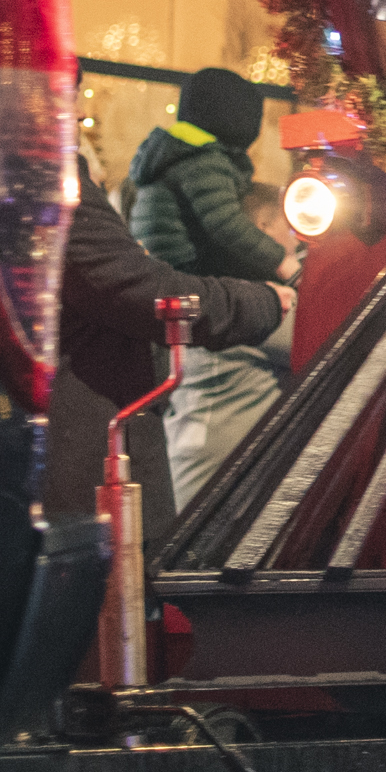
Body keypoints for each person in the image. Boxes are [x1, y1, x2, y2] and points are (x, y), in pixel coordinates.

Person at [0, 157, 287, 772]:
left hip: (50, 435)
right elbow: (136, 288)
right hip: (75, 442)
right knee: (48, 641)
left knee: (55, 648)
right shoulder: (34, 172)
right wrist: (263, 301)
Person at [126, 69, 294, 509]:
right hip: (192, 273)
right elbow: (225, 224)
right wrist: (283, 262)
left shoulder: (168, 157)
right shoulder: (204, 160)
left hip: (172, 279)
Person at [164, 178, 297, 510]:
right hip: (215, 484)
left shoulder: (222, 293)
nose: (296, 238)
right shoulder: (258, 303)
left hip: (196, 460)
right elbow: (321, 341)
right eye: (290, 227)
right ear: (263, 228)